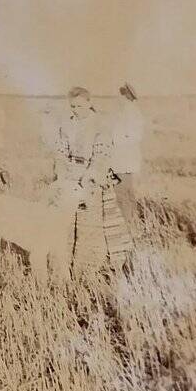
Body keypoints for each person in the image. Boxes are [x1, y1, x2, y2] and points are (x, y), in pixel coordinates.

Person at [52, 86, 133, 273]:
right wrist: (62, 174)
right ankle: (62, 268)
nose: (76, 110)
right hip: (69, 177)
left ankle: (86, 269)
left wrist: (88, 177)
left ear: (89, 103)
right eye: (72, 106)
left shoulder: (100, 125)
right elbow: (60, 152)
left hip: (91, 178)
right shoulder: (66, 125)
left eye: (80, 106)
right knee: (64, 222)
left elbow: (101, 155)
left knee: (88, 222)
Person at [110, 82, 144, 224]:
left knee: (121, 192)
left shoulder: (129, 113)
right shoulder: (129, 112)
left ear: (126, 96)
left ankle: (126, 222)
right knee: (127, 191)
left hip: (123, 159)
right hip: (125, 159)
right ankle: (131, 220)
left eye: (121, 96)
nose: (118, 99)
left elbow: (130, 137)